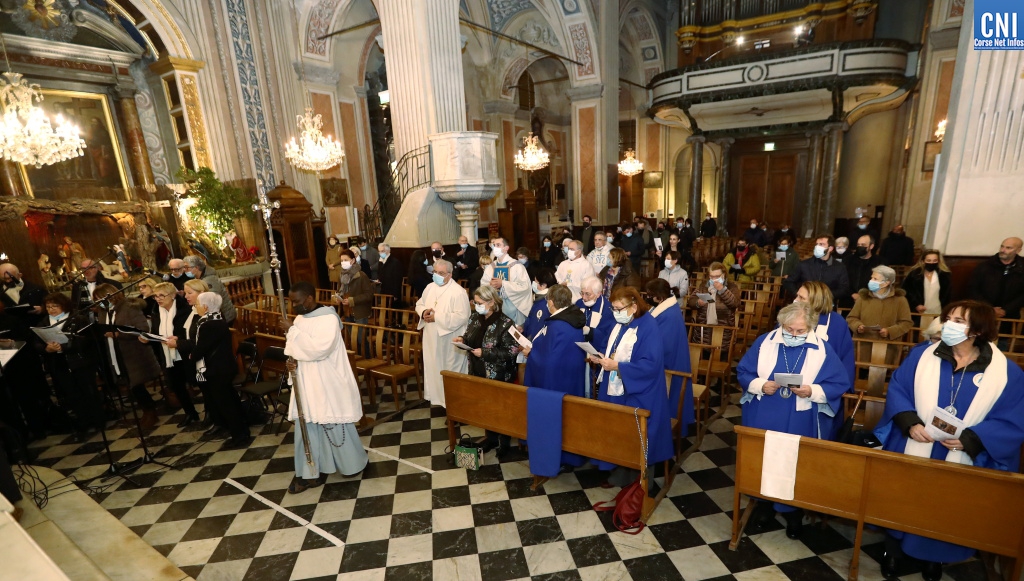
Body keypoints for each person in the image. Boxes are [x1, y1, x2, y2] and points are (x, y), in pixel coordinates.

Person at [873, 301, 1024, 581]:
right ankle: (893, 551)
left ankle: (934, 558)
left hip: (960, 454)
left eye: (958, 321)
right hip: (917, 443)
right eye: (948, 319)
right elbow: (898, 388)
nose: (949, 326)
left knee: (945, 505)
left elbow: (1013, 417)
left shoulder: (1007, 373)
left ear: (978, 330)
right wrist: (910, 422)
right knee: (903, 498)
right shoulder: (921, 356)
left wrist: (972, 439)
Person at [738, 302, 850, 538]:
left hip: (801, 417)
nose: (794, 335)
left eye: (801, 331)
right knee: (764, 460)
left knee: (795, 464)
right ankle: (764, 506)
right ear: (781, 324)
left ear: (810, 327)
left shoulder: (822, 349)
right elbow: (744, 371)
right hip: (765, 413)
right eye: (789, 329)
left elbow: (839, 383)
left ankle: (793, 513)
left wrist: (812, 390)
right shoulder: (765, 342)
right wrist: (760, 385)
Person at [281, 282, 368, 493]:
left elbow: (319, 349)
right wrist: (292, 361)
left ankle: (351, 463)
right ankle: (310, 471)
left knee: (333, 422)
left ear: (309, 298)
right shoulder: (300, 319)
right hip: (306, 380)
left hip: (327, 380)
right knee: (307, 425)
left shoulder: (328, 319)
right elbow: (295, 347)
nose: (293, 306)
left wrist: (292, 331)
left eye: (296, 301)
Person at [589, 287, 672, 485]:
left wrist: (618, 366)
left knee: (637, 434)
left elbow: (650, 365)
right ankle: (617, 474)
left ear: (633, 307)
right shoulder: (621, 322)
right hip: (617, 387)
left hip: (640, 391)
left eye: (619, 309)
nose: (615, 313)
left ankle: (640, 482)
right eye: (613, 309)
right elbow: (613, 347)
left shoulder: (648, 327)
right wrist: (601, 357)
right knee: (618, 430)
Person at [455, 285, 520, 455]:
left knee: (501, 410)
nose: (476, 306)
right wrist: (462, 339)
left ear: (491, 302)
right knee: (486, 407)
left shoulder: (506, 323)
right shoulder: (475, 318)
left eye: (480, 303)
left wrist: (486, 353)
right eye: (475, 302)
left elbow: (512, 351)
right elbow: (469, 336)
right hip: (478, 370)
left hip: (499, 375)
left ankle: (504, 443)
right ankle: (490, 439)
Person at [93, 283, 161, 429]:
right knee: (130, 384)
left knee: (136, 384)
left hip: (134, 352)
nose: (99, 301)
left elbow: (142, 329)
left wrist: (119, 334)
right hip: (115, 352)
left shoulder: (129, 307)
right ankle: (147, 409)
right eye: (97, 299)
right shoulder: (103, 312)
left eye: (101, 298)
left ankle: (150, 411)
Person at [189, 292, 250, 449]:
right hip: (224, 367)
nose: (196, 306)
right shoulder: (218, 319)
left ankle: (239, 437)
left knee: (226, 404)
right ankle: (242, 432)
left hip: (217, 370)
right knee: (231, 400)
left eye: (197, 304)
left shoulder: (208, 325)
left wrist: (193, 355)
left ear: (205, 307)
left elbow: (201, 348)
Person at [36, 293, 103, 434]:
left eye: (55, 306)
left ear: (64, 306)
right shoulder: (44, 322)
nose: (51, 309)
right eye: (48, 307)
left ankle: (98, 420)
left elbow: (85, 340)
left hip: (80, 361)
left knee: (88, 390)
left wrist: (64, 347)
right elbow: (36, 342)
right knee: (72, 393)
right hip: (59, 363)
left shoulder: (77, 319)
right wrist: (46, 348)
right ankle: (83, 421)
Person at [143, 282, 200, 427]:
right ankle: (190, 413)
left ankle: (211, 414)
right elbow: (157, 334)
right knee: (177, 386)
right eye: (155, 296)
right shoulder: (156, 312)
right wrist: (148, 339)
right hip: (168, 356)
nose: (158, 299)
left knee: (199, 383)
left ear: (173, 295)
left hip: (185, 353)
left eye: (162, 295)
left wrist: (178, 339)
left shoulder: (185, 310)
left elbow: (191, 333)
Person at [415, 260, 470, 408]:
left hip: (449, 338)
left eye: (441, 273)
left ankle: (454, 405)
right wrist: (424, 312)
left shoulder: (458, 292)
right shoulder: (430, 287)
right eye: (435, 272)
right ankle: (438, 399)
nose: (437, 275)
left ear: (450, 275)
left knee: (450, 369)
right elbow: (419, 304)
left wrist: (436, 317)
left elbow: (462, 316)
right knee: (433, 367)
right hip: (431, 337)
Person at [646, 279, 693, 429]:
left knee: (672, 397)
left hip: (671, 365)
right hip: (671, 359)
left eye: (650, 295)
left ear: (659, 297)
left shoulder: (669, 315)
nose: (648, 298)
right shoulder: (666, 308)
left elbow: (662, 345)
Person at [794, 281, 855, 394]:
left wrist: (839, 388)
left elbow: (845, 358)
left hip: (823, 381)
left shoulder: (837, 323)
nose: (796, 300)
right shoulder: (789, 318)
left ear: (816, 301)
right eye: (797, 296)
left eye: (801, 298)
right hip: (792, 377)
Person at [847, 265, 913, 342]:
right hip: (863, 343)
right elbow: (851, 318)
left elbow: (906, 323)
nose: (871, 281)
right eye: (871, 278)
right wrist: (858, 326)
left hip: (888, 344)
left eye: (875, 279)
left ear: (886, 283)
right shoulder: (863, 297)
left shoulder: (900, 300)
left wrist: (890, 331)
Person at [968, 237, 1024, 320]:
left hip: (1011, 314)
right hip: (983, 312)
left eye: (1008, 248)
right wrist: (989, 308)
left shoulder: (1021, 267)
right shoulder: (985, 266)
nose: (1003, 250)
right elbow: (973, 289)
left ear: (1018, 250)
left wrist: (1006, 310)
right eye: (1002, 246)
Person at [481, 237, 532, 326]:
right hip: (494, 308)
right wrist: (490, 285)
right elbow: (483, 285)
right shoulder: (490, 267)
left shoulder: (517, 266)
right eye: (494, 245)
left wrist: (503, 284)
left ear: (506, 248)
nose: (495, 248)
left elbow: (525, 287)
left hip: (512, 308)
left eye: (498, 245)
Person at [688, 262, 740, 345]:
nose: (714, 279)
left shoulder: (732, 287)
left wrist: (722, 290)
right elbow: (691, 301)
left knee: (720, 351)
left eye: (717, 276)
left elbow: (735, 303)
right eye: (711, 277)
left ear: (723, 275)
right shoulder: (703, 286)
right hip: (703, 331)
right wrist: (698, 302)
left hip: (723, 332)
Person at [783, 235, 850, 300]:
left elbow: (844, 289)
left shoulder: (840, 267)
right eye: (816, 244)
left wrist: (824, 296)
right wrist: (800, 295)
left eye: (821, 244)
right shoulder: (804, 264)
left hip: (826, 304)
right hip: (804, 303)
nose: (817, 247)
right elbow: (789, 282)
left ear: (830, 248)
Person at [902, 249, 952, 330]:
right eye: (929, 260)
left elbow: (947, 294)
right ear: (923, 261)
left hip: (938, 310)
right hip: (919, 312)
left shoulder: (944, 275)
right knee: (919, 333)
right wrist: (916, 304)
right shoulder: (914, 275)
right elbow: (905, 291)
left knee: (935, 332)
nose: (932, 263)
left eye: (935, 260)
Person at [182, 255, 236, 325]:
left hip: (224, 316)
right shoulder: (199, 278)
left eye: (187, 267)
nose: (184, 270)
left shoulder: (210, 280)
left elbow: (210, 302)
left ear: (196, 267)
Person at [841, 233, 884, 309]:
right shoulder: (847, 261)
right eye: (858, 244)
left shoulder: (880, 262)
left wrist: (865, 295)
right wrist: (852, 294)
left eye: (863, 245)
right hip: (848, 299)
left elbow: (881, 283)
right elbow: (842, 280)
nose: (860, 247)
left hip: (871, 300)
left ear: (871, 246)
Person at [333, 250, 372, 326]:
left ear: (353, 260)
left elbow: (369, 295)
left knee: (360, 333)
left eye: (346, 260)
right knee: (350, 333)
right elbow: (339, 290)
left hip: (359, 312)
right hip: (347, 311)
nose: (343, 262)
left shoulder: (361, 275)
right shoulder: (341, 275)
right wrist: (338, 297)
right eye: (342, 260)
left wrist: (352, 300)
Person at [523, 268, 557, 340]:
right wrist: (523, 328)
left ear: (543, 285)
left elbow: (537, 327)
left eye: (536, 282)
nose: (533, 284)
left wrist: (529, 339)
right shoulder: (539, 299)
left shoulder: (546, 302)